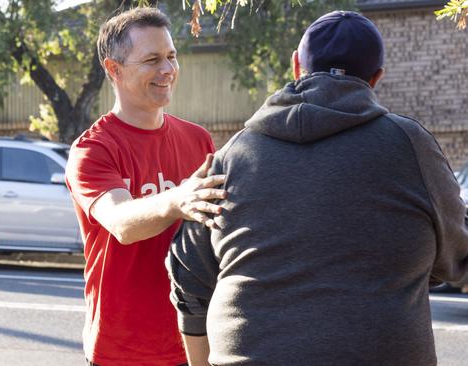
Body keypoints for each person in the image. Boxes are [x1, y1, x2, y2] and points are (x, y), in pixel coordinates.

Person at [168, 10, 468, 366]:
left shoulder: (232, 155)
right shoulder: (409, 145)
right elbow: (458, 256)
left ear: (296, 66)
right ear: (376, 77)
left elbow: (188, 275)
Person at [65, 7, 226, 366]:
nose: (167, 70)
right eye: (152, 60)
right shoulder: (93, 149)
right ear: (114, 69)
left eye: (171, 56)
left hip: (195, 343)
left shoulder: (198, 139)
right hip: (122, 350)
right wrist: (178, 199)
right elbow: (121, 223)